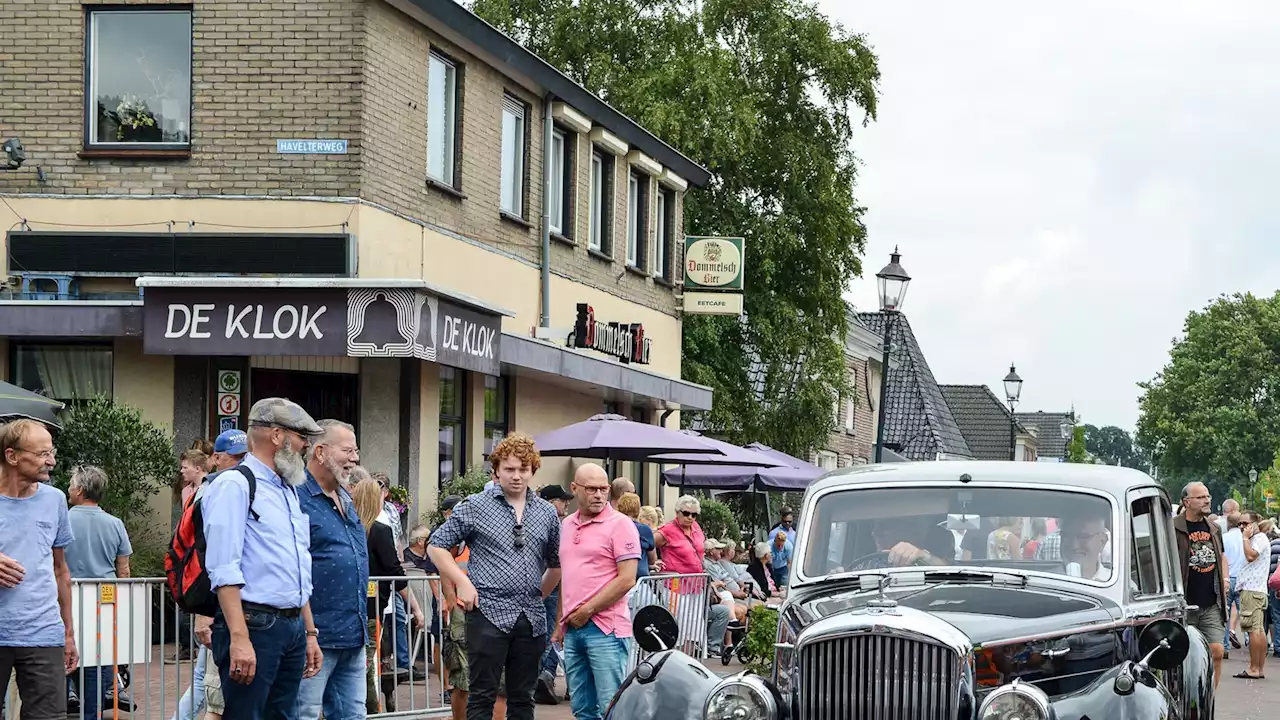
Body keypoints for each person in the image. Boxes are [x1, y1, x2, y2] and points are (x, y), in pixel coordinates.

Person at [203, 398, 325, 718]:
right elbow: (223, 567)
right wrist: (240, 638)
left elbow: (297, 568)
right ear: (276, 436)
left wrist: (308, 632)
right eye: (301, 437)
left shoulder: (287, 489)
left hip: (290, 625)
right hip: (255, 625)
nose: (305, 446)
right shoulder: (235, 484)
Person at [428, 433, 562, 720]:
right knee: (482, 696)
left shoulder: (547, 512)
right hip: (488, 613)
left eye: (523, 469)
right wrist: (463, 582)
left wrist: (539, 595)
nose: (516, 476)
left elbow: (556, 564)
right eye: (510, 469)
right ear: (496, 471)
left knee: (523, 699)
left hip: (531, 618)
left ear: (533, 471)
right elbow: (436, 546)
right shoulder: (475, 505)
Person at [0, 419, 78, 718]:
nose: (52, 460)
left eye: (52, 451)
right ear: (12, 456)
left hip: (43, 633)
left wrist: (68, 633)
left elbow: (61, 570)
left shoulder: (55, 500)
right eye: (43, 453)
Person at [294, 420, 370, 720]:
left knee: (354, 715)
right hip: (315, 637)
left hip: (353, 634)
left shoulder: (347, 498)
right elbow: (293, 570)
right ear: (321, 452)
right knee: (304, 714)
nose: (355, 458)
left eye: (356, 451)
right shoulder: (296, 498)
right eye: (347, 450)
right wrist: (309, 632)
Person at [554, 464, 639, 720]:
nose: (598, 495)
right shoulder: (567, 525)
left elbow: (626, 580)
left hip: (606, 630)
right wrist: (561, 622)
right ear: (575, 489)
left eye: (603, 489)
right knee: (581, 709)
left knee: (611, 708)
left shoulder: (621, 524)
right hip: (573, 628)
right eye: (591, 489)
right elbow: (566, 577)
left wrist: (588, 610)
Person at [173, 428, 247, 720]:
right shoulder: (211, 491)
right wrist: (204, 614)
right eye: (235, 457)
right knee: (211, 687)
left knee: (207, 679)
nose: (242, 463)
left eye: (245, 457)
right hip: (219, 607)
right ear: (216, 458)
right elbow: (204, 551)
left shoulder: (246, 487)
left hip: (241, 609)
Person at [64, 465, 133, 720]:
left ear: (80, 490)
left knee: (63, 652)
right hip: (105, 599)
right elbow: (123, 570)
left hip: (68, 598)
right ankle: (92, 712)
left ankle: (64, 703)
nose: (69, 488)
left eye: (71, 484)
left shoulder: (63, 520)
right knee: (100, 656)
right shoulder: (115, 524)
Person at [351, 477, 422, 714]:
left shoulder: (348, 526)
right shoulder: (379, 531)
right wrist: (415, 606)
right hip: (371, 607)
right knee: (366, 662)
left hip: (347, 604)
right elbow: (394, 570)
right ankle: (369, 709)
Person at [654, 495, 730, 655]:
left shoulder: (696, 528)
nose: (690, 517)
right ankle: (673, 661)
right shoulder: (667, 530)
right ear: (677, 513)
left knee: (694, 628)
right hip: (675, 587)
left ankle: (688, 662)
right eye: (686, 513)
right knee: (678, 626)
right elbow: (647, 543)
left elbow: (700, 554)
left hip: (696, 586)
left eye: (694, 514)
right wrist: (653, 563)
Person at [1175, 481, 1229, 689]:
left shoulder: (1214, 529)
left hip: (1211, 600)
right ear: (1186, 502)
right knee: (1181, 654)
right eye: (1201, 497)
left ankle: (1209, 698)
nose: (1207, 500)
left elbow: (1221, 556)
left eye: (1208, 496)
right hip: (1183, 602)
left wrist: (1224, 580)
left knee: (1216, 650)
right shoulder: (1173, 527)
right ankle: (1183, 695)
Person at [432, 495, 472, 720]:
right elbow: (441, 559)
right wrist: (449, 600)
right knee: (462, 676)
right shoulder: (457, 534)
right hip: (462, 609)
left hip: (493, 611)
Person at [536, 483, 574, 706]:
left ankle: (543, 676)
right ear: (550, 502)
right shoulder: (555, 525)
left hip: (547, 585)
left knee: (548, 633)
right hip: (552, 586)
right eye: (562, 500)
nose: (567, 503)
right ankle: (545, 675)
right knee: (553, 632)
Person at [1234, 510, 1271, 680]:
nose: (1242, 527)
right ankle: (1258, 667)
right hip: (1255, 589)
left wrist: (1245, 538)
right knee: (1258, 629)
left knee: (1254, 629)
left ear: (1255, 523)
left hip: (1252, 589)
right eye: (1239, 524)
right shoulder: (1258, 538)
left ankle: (1254, 668)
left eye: (1246, 523)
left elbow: (1250, 556)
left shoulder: (1258, 539)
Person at [1222, 510, 1246, 654]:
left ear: (1228, 523)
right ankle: (1250, 643)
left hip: (1227, 578)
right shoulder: (1246, 538)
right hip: (1243, 578)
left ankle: (1225, 646)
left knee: (1225, 614)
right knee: (1246, 614)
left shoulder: (1224, 538)